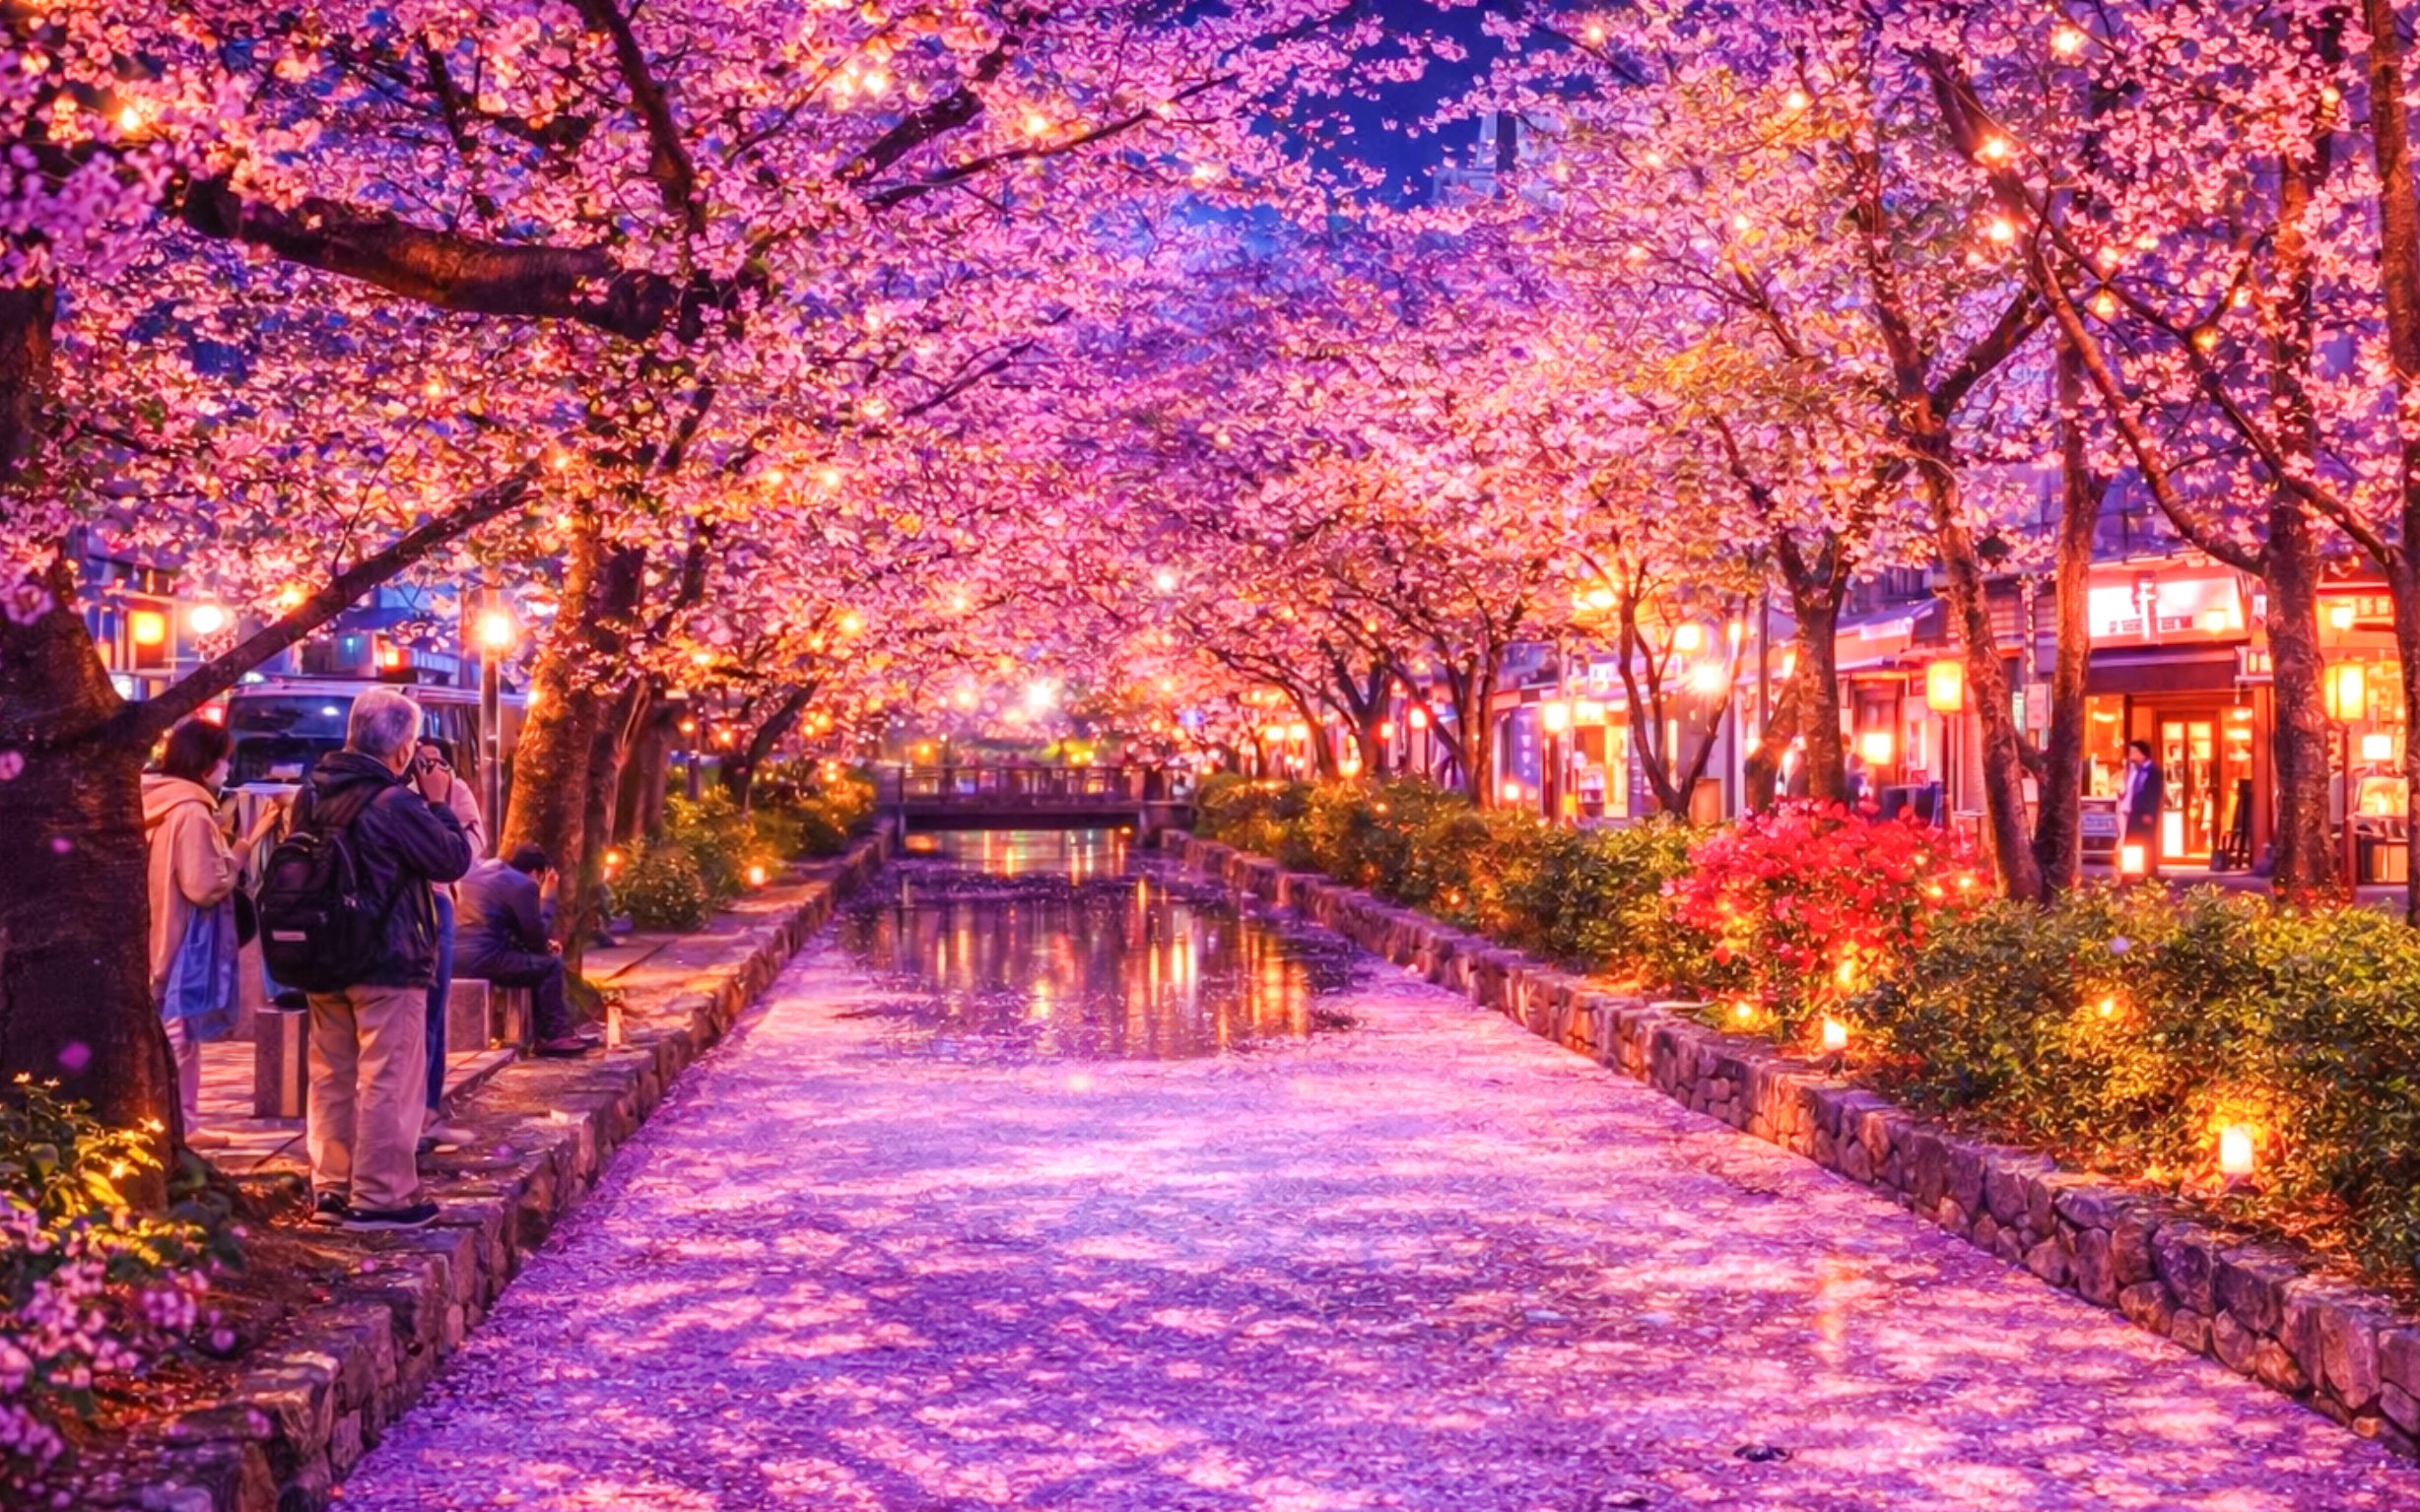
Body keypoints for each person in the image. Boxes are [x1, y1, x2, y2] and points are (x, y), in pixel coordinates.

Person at [294, 688, 474, 1230]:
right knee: (388, 1075)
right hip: (386, 955)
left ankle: (331, 1189)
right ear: (401, 749)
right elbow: (452, 860)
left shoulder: (312, 794)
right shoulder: (394, 803)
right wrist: (439, 801)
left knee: (330, 1074)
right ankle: (381, 1197)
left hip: (323, 954)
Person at [143, 718, 282, 1150]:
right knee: (179, 1032)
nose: (227, 769)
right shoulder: (191, 810)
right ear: (207, 765)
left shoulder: (151, 801)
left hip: (146, 929)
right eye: (224, 761)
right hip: (179, 933)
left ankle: (166, 1120)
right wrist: (245, 845)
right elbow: (204, 884)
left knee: (165, 1030)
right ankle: (183, 1123)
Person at [456, 843, 589, 1058]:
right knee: (550, 965)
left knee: (534, 962)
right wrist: (547, 898)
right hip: (483, 959)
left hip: (449, 958)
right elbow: (535, 940)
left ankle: (543, 1033)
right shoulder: (523, 885)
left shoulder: (476, 874)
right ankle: (554, 1035)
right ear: (539, 873)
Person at [416, 738, 483, 1151]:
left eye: (435, 760)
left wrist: (440, 809)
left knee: (432, 1014)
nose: (426, 767)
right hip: (400, 906)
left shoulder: (454, 790)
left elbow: (470, 849)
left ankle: (427, 1112)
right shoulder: (394, 793)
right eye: (418, 759)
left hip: (437, 900)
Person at [2120, 738, 2165, 876]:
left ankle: (2149, 872)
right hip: (2133, 812)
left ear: (2143, 754)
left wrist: (2150, 812)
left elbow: (2155, 793)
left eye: (2133, 752)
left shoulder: (2154, 771)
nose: (2130, 755)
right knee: (2132, 843)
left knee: (2146, 843)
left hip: (2145, 813)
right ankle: (2131, 873)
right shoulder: (2133, 770)